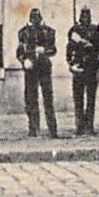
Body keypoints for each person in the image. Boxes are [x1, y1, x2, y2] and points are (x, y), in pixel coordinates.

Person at [16, 9, 59, 138]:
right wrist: (24, 61)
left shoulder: (48, 32)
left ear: (41, 18)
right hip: (31, 69)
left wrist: (44, 51)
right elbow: (19, 52)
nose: (35, 21)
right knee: (31, 98)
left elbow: (53, 50)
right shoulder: (23, 33)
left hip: (44, 68)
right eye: (33, 18)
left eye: (37, 18)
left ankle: (52, 129)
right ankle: (33, 128)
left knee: (48, 98)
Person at [66, 8, 99, 136]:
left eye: (87, 16)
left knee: (91, 99)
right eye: (83, 16)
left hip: (91, 68)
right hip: (79, 68)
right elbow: (69, 50)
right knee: (78, 99)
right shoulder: (74, 30)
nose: (85, 18)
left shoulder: (96, 31)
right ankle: (79, 126)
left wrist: (90, 45)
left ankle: (89, 126)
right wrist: (71, 65)